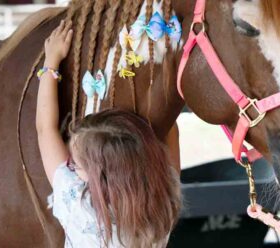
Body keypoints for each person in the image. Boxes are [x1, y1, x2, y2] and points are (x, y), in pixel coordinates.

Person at [36, 20, 181, 248]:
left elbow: (45, 129)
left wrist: (51, 61)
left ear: (101, 175)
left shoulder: (76, 204)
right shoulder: (162, 205)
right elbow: (168, 128)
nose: (71, 168)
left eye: (76, 165)